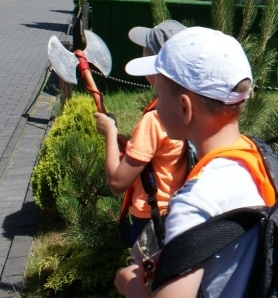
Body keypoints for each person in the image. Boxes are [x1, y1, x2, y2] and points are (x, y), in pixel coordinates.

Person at [114, 27, 267, 297]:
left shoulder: (193, 204)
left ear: (185, 108)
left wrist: (132, 287)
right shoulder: (257, 157)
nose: (156, 105)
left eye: (159, 96)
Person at [94, 20, 189, 245]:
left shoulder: (154, 118)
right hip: (178, 210)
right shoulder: (185, 108)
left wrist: (109, 132)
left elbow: (117, 183)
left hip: (151, 219)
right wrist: (126, 142)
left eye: (146, 48)